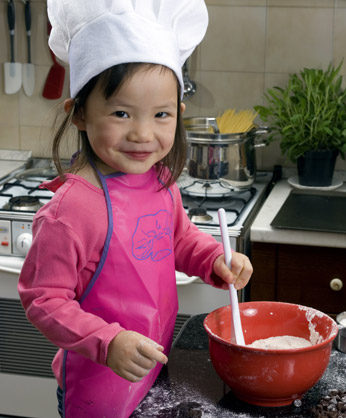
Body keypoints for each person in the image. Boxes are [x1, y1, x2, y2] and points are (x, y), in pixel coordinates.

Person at [18, 1, 253, 417]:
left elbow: (178, 239)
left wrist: (214, 259)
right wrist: (108, 342)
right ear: (79, 115)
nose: (143, 134)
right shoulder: (69, 212)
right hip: (97, 385)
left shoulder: (160, 182)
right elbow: (43, 300)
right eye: (121, 113)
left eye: (161, 114)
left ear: (178, 115)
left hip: (151, 369)